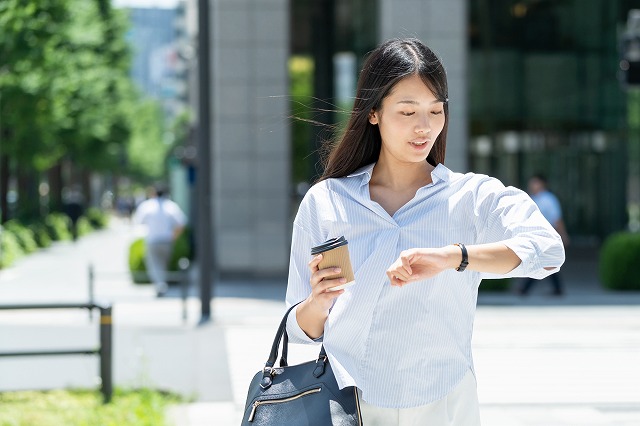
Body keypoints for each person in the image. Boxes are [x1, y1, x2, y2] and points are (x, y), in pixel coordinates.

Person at [284, 38, 565, 425]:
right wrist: (317, 302)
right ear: (373, 113)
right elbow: (300, 329)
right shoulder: (328, 202)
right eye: (407, 111)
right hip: (349, 405)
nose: (424, 127)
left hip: (444, 402)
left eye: (436, 111)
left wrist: (454, 257)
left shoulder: (472, 196)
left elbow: (547, 250)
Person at [519, 174, 569, 296]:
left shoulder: (548, 199)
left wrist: (563, 234)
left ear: (543, 184)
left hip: (546, 236)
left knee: (538, 261)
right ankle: (556, 288)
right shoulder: (531, 198)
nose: (532, 185)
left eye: (535, 182)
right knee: (542, 261)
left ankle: (525, 289)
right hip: (533, 236)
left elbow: (556, 219)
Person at [133, 185, 187, 297]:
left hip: (153, 240)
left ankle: (160, 285)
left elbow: (138, 220)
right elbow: (182, 223)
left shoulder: (147, 206)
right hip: (167, 240)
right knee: (163, 263)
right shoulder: (171, 206)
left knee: (154, 264)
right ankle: (162, 284)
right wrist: (174, 236)